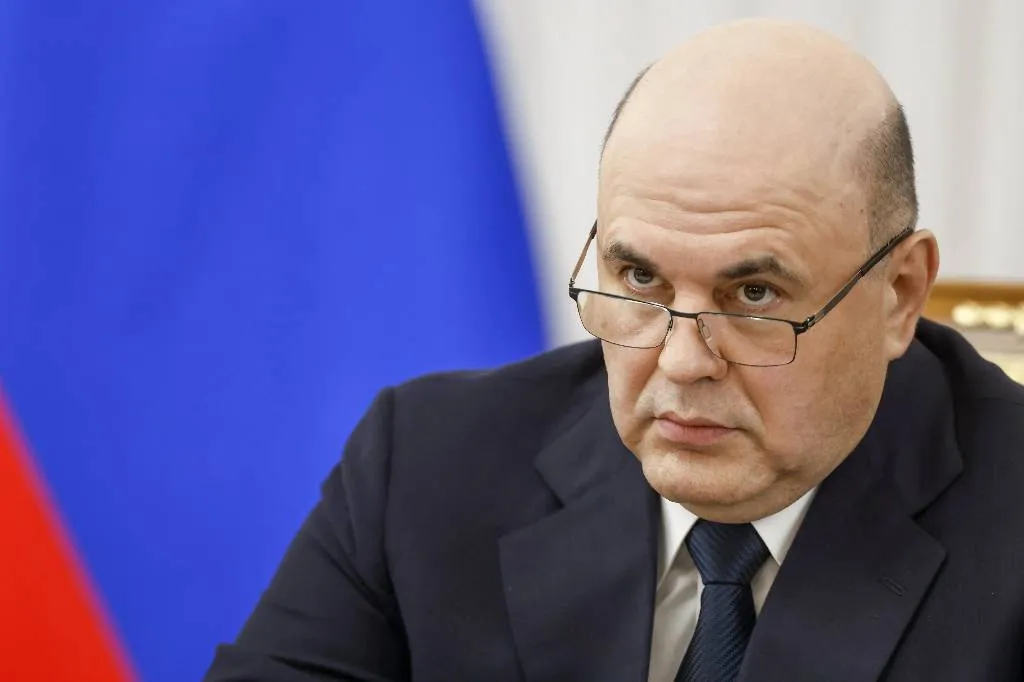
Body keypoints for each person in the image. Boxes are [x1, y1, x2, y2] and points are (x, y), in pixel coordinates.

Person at [203, 18, 1024, 682]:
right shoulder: (423, 465)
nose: (681, 362)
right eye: (640, 279)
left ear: (899, 294)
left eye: (754, 295)